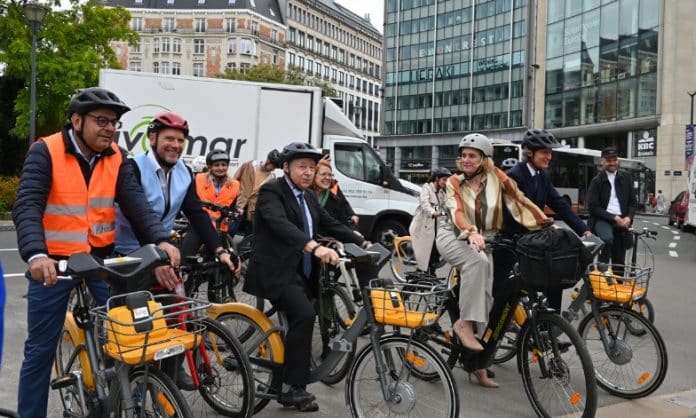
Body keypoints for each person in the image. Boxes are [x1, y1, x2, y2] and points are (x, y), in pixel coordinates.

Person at [12, 87, 180, 417]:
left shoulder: (116, 156)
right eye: (101, 120)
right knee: (40, 350)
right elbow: (28, 204)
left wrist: (161, 239)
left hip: (101, 260)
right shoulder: (46, 151)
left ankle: (114, 396)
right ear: (76, 120)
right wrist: (35, 255)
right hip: (56, 265)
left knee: (127, 335)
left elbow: (137, 205)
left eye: (114, 122)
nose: (109, 128)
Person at [243, 142, 367, 412]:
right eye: (302, 167)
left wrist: (359, 238)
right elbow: (280, 224)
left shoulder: (309, 196)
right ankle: (291, 388)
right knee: (303, 314)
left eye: (312, 167)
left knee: (304, 315)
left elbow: (328, 222)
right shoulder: (271, 191)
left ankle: (286, 375)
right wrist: (313, 246)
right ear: (286, 168)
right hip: (275, 271)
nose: (308, 172)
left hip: (300, 272)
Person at [436, 133, 551, 389]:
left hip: (485, 240)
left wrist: (542, 221)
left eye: (472, 155)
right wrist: (471, 232)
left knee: (488, 294)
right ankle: (463, 324)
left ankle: (477, 364)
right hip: (454, 235)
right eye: (463, 155)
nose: (466, 160)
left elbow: (518, 199)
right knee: (478, 263)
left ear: (484, 159)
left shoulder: (497, 177)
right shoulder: (454, 182)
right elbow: (455, 212)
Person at [114, 111, 238, 281]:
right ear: (152, 138)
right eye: (169, 138)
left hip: (160, 249)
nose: (176, 145)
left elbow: (196, 213)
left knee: (174, 302)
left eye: (180, 140)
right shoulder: (133, 167)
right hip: (128, 251)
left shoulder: (184, 171)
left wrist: (220, 250)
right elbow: (139, 214)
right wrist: (158, 249)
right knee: (129, 305)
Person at [495, 129, 592, 312]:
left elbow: (560, 204)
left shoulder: (542, 175)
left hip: (532, 239)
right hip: (514, 240)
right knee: (503, 296)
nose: (549, 157)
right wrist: (547, 224)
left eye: (550, 152)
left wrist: (584, 230)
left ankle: (550, 328)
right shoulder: (516, 175)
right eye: (544, 152)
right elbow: (521, 212)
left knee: (554, 278)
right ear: (530, 153)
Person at [181, 148, 241, 258]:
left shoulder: (235, 184)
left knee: (223, 263)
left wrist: (233, 213)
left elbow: (232, 205)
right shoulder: (199, 179)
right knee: (186, 259)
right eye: (216, 165)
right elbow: (191, 202)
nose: (221, 168)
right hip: (198, 226)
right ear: (209, 166)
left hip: (220, 229)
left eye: (224, 165)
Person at [587, 147, 637, 275]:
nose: (613, 163)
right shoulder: (597, 181)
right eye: (609, 160)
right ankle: (601, 276)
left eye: (615, 160)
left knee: (619, 259)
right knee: (607, 239)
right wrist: (614, 218)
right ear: (602, 161)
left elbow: (632, 202)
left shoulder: (626, 177)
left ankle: (618, 286)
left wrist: (628, 218)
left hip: (622, 221)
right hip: (602, 219)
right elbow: (593, 207)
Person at [408, 167, 451, 274]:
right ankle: (423, 273)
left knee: (436, 250)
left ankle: (431, 272)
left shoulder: (441, 192)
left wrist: (454, 211)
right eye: (444, 180)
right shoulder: (426, 188)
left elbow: (446, 204)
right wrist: (432, 212)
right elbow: (424, 203)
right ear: (437, 178)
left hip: (435, 226)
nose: (445, 183)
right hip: (423, 225)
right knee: (426, 251)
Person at [233, 148, 283, 224]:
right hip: (239, 205)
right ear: (268, 162)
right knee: (230, 230)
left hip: (253, 211)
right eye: (274, 167)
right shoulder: (248, 165)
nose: (273, 169)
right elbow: (234, 181)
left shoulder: (272, 178)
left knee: (250, 235)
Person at [311, 157, 360, 231]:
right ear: (313, 175)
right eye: (323, 174)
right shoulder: (303, 194)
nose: (327, 178)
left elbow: (344, 208)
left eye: (330, 175)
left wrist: (353, 231)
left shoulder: (334, 194)